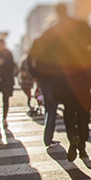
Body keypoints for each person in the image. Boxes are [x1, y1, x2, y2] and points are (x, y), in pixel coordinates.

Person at [37, 3, 91, 161]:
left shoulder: (52, 31)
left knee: (69, 111)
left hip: (62, 79)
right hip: (81, 76)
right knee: (83, 112)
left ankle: (73, 139)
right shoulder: (80, 26)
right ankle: (82, 146)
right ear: (67, 11)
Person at [30, 19, 62, 148]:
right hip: (53, 77)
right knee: (52, 106)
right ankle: (48, 138)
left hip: (44, 78)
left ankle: (48, 138)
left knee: (50, 106)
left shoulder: (38, 40)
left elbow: (29, 59)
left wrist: (36, 75)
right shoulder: (57, 41)